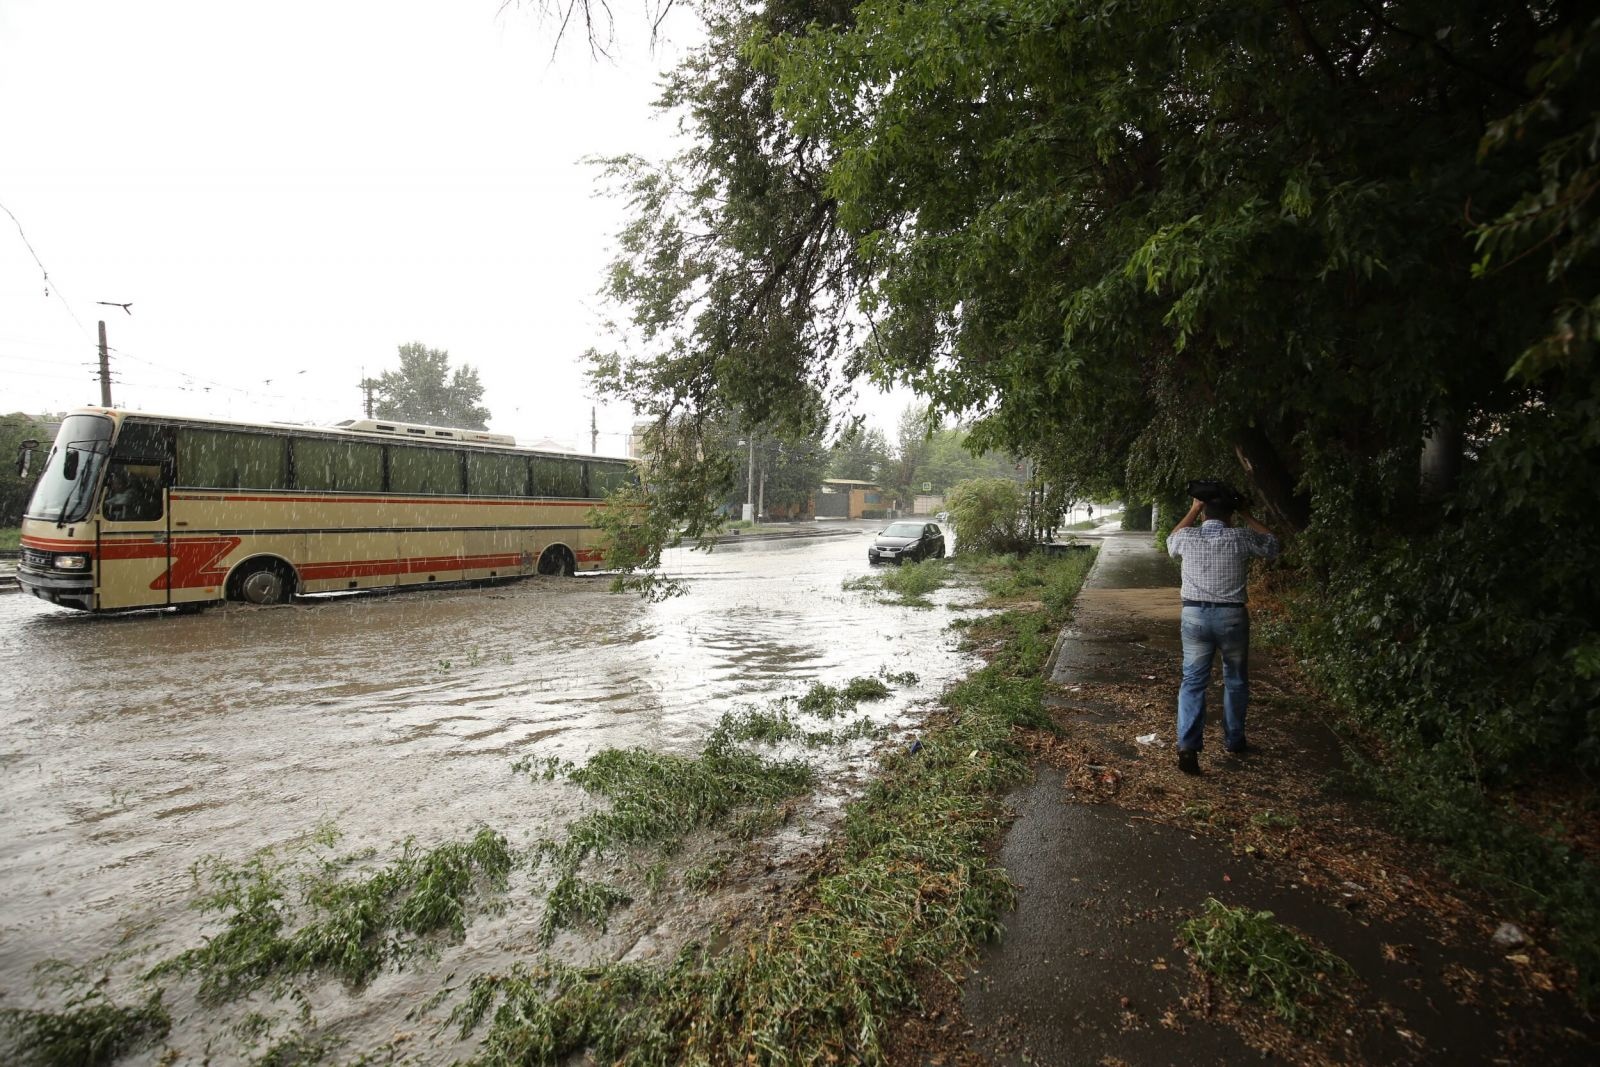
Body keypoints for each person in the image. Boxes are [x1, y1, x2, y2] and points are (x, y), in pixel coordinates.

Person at [1167, 489, 1279, 775]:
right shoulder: (1240, 536)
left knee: (1192, 681)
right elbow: (1273, 545)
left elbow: (1171, 542)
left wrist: (1192, 509)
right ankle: (1234, 739)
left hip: (1194, 616)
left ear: (1204, 513)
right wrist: (1247, 514)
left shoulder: (1188, 537)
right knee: (1236, 680)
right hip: (1232, 617)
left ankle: (1188, 745)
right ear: (1230, 515)